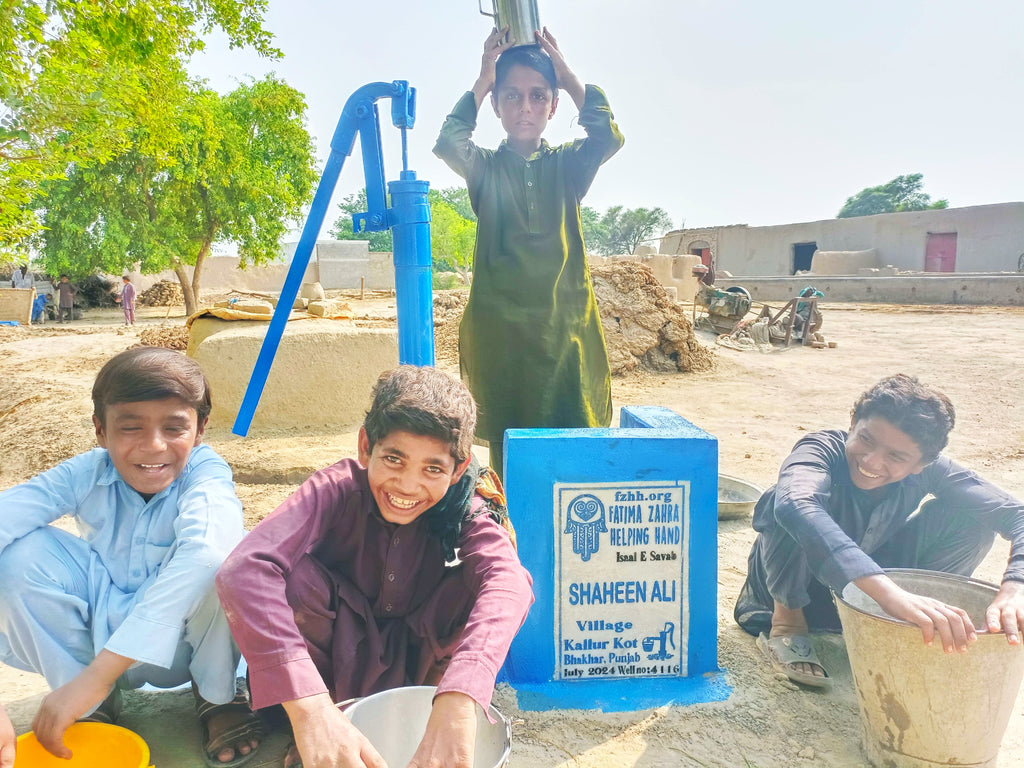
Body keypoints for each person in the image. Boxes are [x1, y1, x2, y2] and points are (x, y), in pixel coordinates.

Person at [216, 365, 534, 768]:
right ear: (366, 447)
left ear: (458, 468)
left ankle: (434, 715)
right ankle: (322, 727)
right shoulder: (336, 490)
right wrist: (312, 711)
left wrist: (462, 695)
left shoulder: (465, 508)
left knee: (487, 588)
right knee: (291, 581)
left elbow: (511, 584)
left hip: (418, 665)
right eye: (394, 459)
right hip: (331, 661)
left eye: (432, 468)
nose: (407, 485)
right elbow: (243, 570)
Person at [0, 347, 264, 766]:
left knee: (224, 562)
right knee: (16, 557)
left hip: (188, 644)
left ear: (200, 431)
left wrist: (98, 675)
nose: (153, 446)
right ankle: (91, 706)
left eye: (174, 427)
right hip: (100, 634)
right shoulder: (85, 472)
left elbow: (206, 553)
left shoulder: (206, 474)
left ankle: (218, 696)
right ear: (101, 431)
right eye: (130, 428)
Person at [734, 374, 1024, 689]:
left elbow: (1015, 514)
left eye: (896, 456)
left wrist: (1015, 586)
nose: (872, 461)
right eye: (867, 439)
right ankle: (787, 626)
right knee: (785, 499)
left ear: (922, 463)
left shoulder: (934, 470)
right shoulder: (820, 449)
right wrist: (890, 593)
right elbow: (794, 504)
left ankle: (904, 626)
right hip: (794, 589)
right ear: (853, 422)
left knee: (972, 520)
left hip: (872, 594)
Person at [433, 27, 624, 477]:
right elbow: (449, 143)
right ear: (496, 106)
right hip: (503, 339)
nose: (525, 107)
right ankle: (510, 543)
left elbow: (606, 136)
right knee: (510, 461)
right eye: (512, 96)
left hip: (565, 332)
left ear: (554, 106)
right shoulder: (485, 169)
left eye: (539, 96)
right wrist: (483, 79)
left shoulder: (569, 165)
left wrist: (566, 73)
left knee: (574, 457)